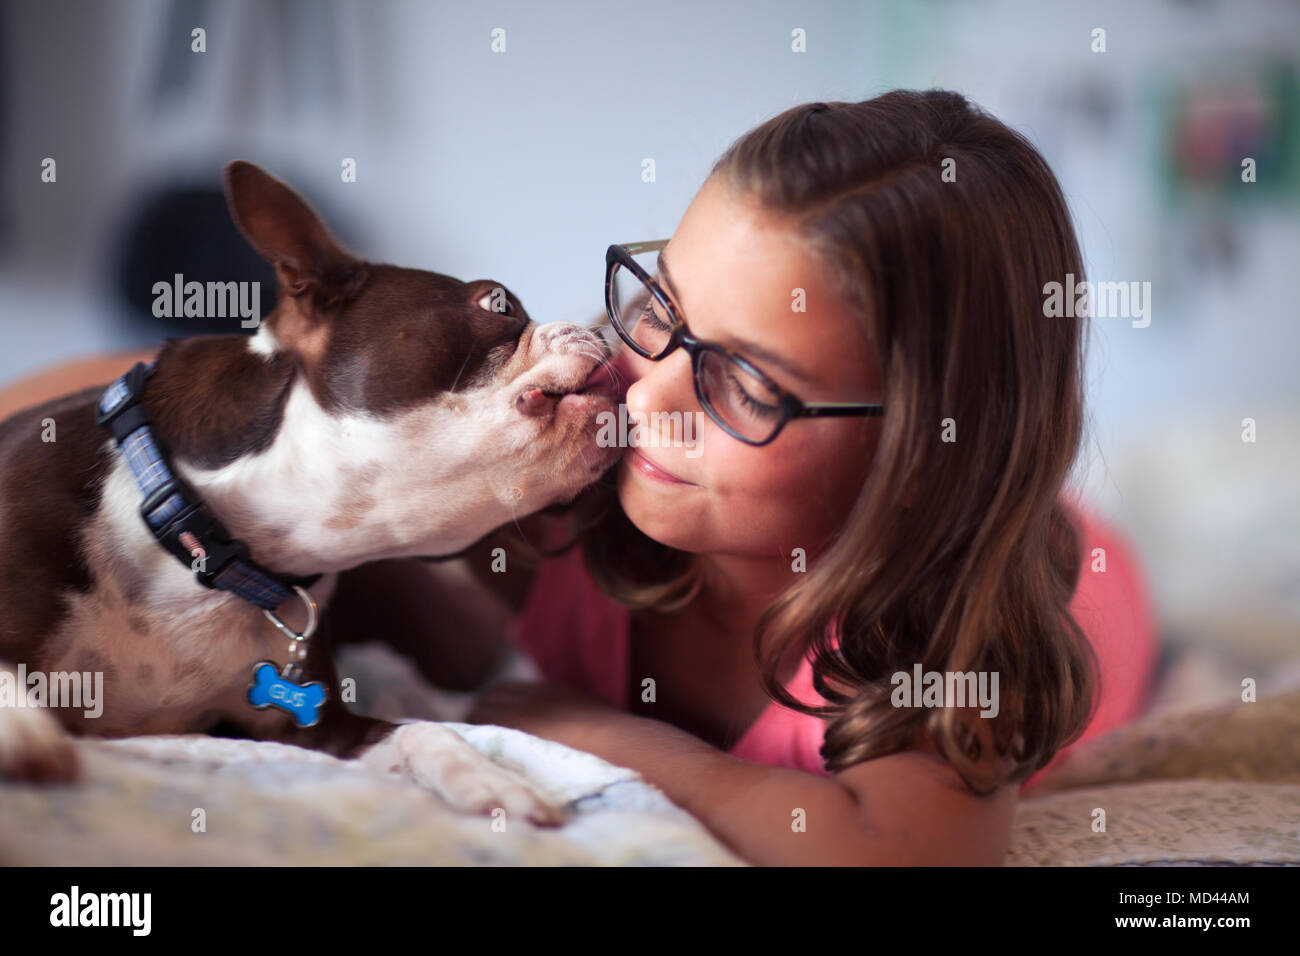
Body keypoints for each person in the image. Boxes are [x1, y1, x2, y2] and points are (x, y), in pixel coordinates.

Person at [0, 90, 1158, 866]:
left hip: (1086, 569)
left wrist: (575, 724)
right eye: (658, 311)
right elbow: (155, 403)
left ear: (916, 458)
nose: (639, 390)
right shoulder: (583, 495)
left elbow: (886, 850)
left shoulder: (946, 647)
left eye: (742, 383)